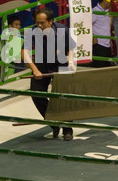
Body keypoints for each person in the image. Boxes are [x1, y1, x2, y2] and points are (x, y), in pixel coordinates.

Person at [22, 7, 77, 141]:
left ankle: (67, 129)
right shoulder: (33, 32)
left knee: (63, 97)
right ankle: (53, 122)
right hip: (41, 65)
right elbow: (24, 53)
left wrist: (71, 62)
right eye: (37, 23)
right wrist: (35, 70)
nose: (39, 26)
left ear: (50, 21)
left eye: (42, 23)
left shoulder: (62, 30)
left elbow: (70, 48)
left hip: (61, 65)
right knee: (36, 93)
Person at [90, 0, 113, 67]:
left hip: (108, 45)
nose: (111, 1)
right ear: (105, 0)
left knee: (107, 70)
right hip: (99, 45)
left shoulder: (108, 12)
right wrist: (93, 37)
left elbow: (107, 26)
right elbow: (87, 25)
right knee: (99, 69)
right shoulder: (95, 11)